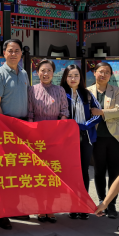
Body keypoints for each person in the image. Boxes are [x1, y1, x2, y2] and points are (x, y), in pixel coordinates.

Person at [0, 38, 29, 230]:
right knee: (4, 173)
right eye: (10, 50)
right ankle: (1, 212)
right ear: (4, 53)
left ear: (21, 53)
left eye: (17, 50)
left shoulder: (24, 73)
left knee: (19, 171)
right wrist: (6, 127)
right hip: (5, 128)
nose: (13, 54)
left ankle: (15, 208)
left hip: (22, 126)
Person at [28, 58, 69, 223]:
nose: (45, 74)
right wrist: (33, 133)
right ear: (37, 72)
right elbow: (30, 113)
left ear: (53, 73)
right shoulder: (31, 90)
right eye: (42, 71)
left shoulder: (60, 90)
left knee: (53, 174)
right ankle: (40, 208)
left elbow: (64, 111)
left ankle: (51, 208)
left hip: (54, 137)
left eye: (49, 71)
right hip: (37, 137)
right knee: (39, 174)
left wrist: (59, 130)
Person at [60, 64, 102, 220]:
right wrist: (70, 126)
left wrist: (84, 125)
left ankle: (83, 205)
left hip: (86, 137)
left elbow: (98, 114)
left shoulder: (87, 94)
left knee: (84, 171)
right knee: (71, 172)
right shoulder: (62, 93)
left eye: (76, 75)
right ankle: (73, 205)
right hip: (67, 139)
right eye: (70, 75)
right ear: (65, 78)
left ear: (80, 78)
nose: (73, 78)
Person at [87, 62, 119, 219]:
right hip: (96, 138)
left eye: (107, 72)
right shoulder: (87, 91)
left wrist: (101, 112)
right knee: (99, 171)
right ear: (94, 72)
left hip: (115, 137)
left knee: (114, 171)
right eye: (100, 71)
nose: (103, 75)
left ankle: (112, 203)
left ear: (110, 75)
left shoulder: (116, 91)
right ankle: (102, 201)